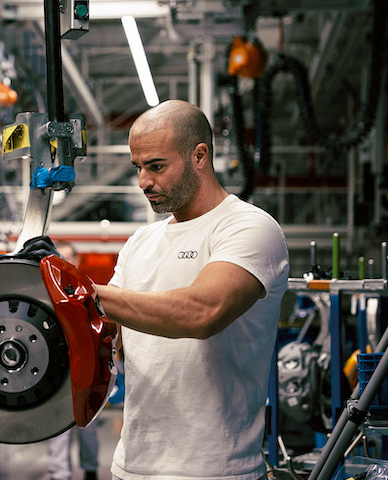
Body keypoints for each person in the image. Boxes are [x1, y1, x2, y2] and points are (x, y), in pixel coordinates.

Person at [94, 100, 290, 480]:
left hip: (214, 469)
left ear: (199, 155)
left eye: (156, 166)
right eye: (138, 167)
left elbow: (202, 312)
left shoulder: (248, 227)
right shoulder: (139, 242)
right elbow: (107, 329)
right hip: (131, 466)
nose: (143, 182)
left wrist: (80, 290)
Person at [47, 242, 100, 480]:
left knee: (87, 425)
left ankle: (90, 469)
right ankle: (60, 474)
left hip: (87, 368)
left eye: (68, 258)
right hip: (58, 369)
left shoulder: (89, 289)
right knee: (58, 426)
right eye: (60, 258)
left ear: (77, 260)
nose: (65, 263)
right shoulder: (47, 289)